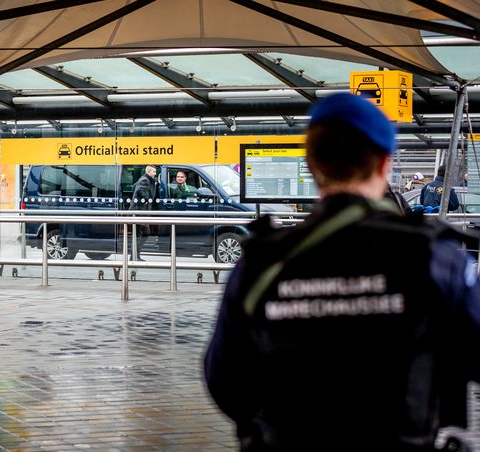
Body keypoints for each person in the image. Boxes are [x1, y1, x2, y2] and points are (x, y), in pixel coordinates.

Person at [204, 92, 480, 451]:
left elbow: (225, 382)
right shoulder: (436, 257)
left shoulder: (261, 263)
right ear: (385, 163)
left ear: (313, 165)